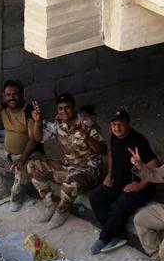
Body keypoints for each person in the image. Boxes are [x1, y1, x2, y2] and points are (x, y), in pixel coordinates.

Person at [24, 94, 106, 229]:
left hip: (90, 171)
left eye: (67, 108)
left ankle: (62, 210)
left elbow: (102, 150)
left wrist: (87, 138)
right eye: (61, 109)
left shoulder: (87, 124)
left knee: (69, 185)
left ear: (74, 108)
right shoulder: (59, 124)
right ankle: (50, 203)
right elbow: (38, 138)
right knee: (33, 166)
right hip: (69, 167)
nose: (64, 111)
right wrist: (38, 121)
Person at [89, 109, 160, 255]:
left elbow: (155, 165)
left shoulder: (137, 141)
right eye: (114, 125)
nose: (117, 128)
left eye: (121, 124)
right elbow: (111, 154)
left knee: (121, 203)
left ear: (128, 124)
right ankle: (118, 235)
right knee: (95, 196)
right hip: (119, 181)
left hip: (141, 187)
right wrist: (109, 174)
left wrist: (140, 185)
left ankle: (104, 237)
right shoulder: (114, 136)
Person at [0, 80, 42, 212]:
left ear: (22, 95)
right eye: (8, 94)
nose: (12, 98)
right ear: (4, 96)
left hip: (27, 155)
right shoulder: (3, 109)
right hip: (7, 154)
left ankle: (17, 197)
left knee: (25, 167)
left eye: (15, 94)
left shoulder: (29, 111)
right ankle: (0, 190)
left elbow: (34, 139)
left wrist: (22, 158)